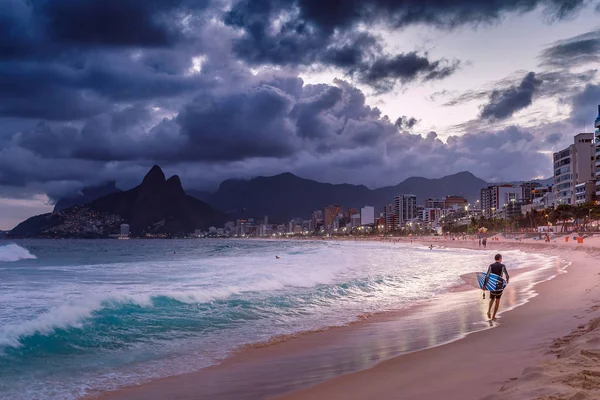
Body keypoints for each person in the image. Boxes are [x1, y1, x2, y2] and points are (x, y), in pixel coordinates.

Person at [482, 253, 509, 320]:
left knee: (492, 298)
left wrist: (484, 285)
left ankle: (488, 311)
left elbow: (487, 276)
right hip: (499, 285)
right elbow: (507, 275)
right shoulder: (503, 266)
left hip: (493, 285)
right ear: (500, 259)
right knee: (497, 300)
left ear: (495, 259)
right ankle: (493, 316)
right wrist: (507, 280)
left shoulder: (491, 266)